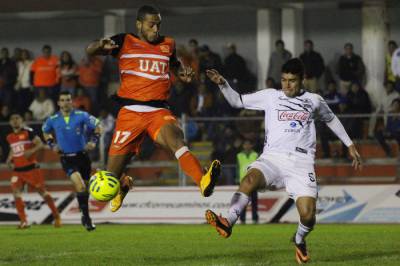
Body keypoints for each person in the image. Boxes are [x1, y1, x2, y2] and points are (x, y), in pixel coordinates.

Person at [204, 58, 362, 264]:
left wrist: (349, 145)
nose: (286, 85)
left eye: (292, 80)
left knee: (308, 216)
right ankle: (228, 221)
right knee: (249, 180)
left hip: (301, 162)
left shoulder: (314, 100)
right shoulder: (271, 96)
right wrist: (222, 83)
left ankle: (299, 239)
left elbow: (331, 119)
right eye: (284, 79)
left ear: (302, 80)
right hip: (273, 158)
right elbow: (237, 101)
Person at [86, 5, 221, 212]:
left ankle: (202, 181)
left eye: (158, 24)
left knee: (176, 140)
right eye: (151, 24)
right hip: (130, 112)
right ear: (139, 24)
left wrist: (182, 75)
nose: (155, 28)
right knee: (111, 175)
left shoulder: (169, 44)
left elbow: (174, 66)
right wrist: (99, 45)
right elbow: (90, 51)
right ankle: (123, 185)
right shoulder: (124, 41)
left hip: (158, 110)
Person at [42, 91, 101, 231]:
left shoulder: (82, 115)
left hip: (83, 157)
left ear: (71, 101)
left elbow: (98, 125)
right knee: (80, 186)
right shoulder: (53, 119)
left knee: (85, 189)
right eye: (62, 100)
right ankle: (87, 218)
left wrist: (94, 141)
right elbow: (45, 131)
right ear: (58, 103)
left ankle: (84, 214)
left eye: (68, 99)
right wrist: (51, 145)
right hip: (66, 158)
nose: (65, 102)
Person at [6, 113, 61, 229]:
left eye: (17, 118)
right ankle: (24, 221)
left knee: (43, 193)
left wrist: (32, 151)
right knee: (15, 192)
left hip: (31, 169)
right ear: (10, 122)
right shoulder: (9, 137)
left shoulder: (28, 132)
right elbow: (13, 149)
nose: (15, 121)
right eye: (13, 119)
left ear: (21, 120)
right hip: (17, 170)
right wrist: (9, 159)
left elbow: (40, 144)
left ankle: (56, 216)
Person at [237, 139, 259, 224]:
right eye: (245, 144)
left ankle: (255, 219)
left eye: (248, 144)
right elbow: (237, 168)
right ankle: (242, 220)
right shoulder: (239, 155)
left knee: (254, 201)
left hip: (253, 181)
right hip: (243, 182)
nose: (247, 146)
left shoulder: (255, 154)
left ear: (251, 145)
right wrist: (236, 179)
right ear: (243, 146)